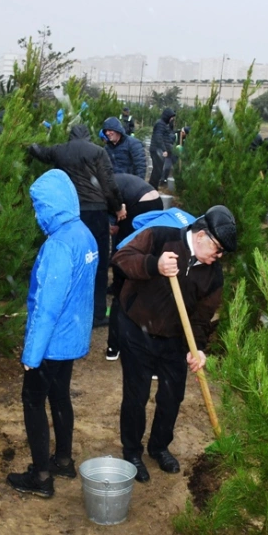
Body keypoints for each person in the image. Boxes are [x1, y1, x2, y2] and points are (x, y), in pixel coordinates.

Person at [111, 205, 237, 482]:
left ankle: (159, 447)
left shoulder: (213, 274)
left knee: (172, 396)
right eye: (217, 249)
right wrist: (153, 265)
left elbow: (202, 318)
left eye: (223, 254)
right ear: (201, 235)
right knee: (137, 395)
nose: (218, 257)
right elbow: (121, 258)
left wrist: (198, 348)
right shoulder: (160, 237)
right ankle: (132, 451)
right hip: (137, 328)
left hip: (174, 340)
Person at [6, 169, 97, 498]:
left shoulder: (58, 246)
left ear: (51, 205)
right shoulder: (84, 234)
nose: (35, 212)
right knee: (60, 396)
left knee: (32, 401)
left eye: (37, 205)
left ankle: (41, 478)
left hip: (51, 343)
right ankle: (63, 460)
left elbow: (47, 307)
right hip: (72, 337)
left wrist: (31, 354)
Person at [29, 125, 126, 328]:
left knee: (72, 261)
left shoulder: (60, 150)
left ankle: (70, 310)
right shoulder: (98, 151)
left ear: (70, 136)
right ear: (88, 136)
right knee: (98, 261)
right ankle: (98, 313)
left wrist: (26, 142)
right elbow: (108, 184)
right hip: (96, 211)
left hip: (71, 212)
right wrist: (117, 207)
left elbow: (40, 152)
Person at [106, 174, 164, 360]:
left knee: (128, 255)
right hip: (153, 203)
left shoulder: (100, 188)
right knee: (143, 244)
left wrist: (115, 221)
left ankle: (114, 347)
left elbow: (119, 214)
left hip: (142, 204)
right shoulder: (110, 179)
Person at [149, 108, 176, 188]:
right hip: (157, 150)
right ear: (167, 116)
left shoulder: (163, 124)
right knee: (157, 170)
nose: (172, 119)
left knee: (158, 170)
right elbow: (158, 137)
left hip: (158, 150)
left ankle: (153, 187)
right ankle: (152, 187)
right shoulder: (160, 124)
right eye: (171, 117)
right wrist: (164, 149)